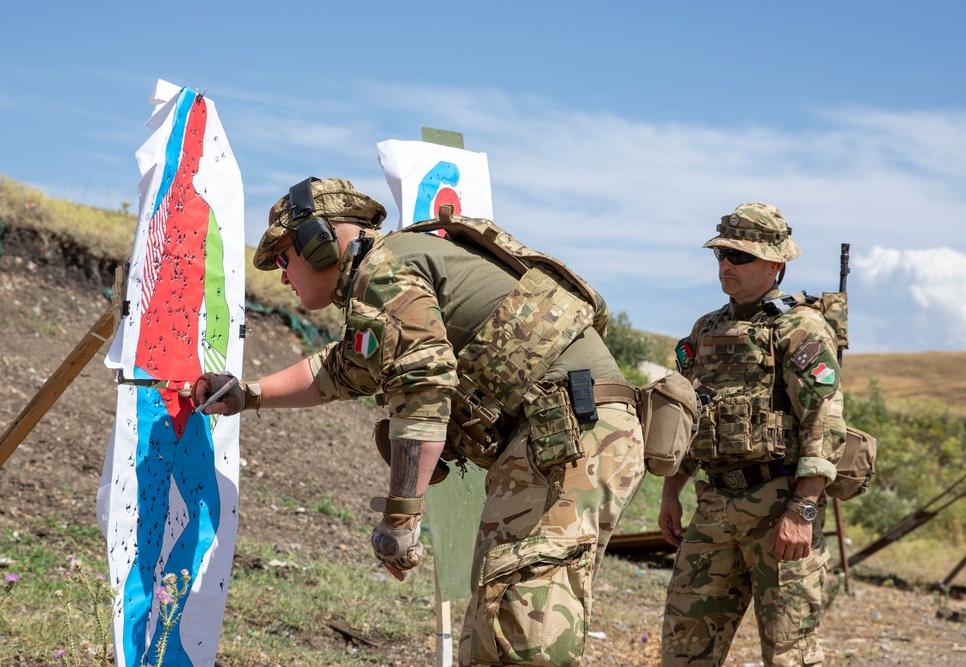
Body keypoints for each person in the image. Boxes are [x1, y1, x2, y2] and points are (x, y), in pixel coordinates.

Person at [191, 177, 646, 667]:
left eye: (284, 257)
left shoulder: (384, 272)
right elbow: (337, 369)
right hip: (565, 432)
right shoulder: (393, 273)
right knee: (497, 627)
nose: (282, 276)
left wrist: (400, 517)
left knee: (526, 632)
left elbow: (424, 391)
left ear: (319, 243)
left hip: (568, 432)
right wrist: (248, 394)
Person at [658, 202, 847, 667]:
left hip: (778, 504)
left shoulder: (799, 325)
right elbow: (689, 415)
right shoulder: (706, 328)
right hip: (715, 506)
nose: (726, 265)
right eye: (721, 254)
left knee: (790, 655)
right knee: (684, 650)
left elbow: (825, 420)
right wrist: (671, 491)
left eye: (739, 257)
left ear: (775, 264)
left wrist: (802, 509)